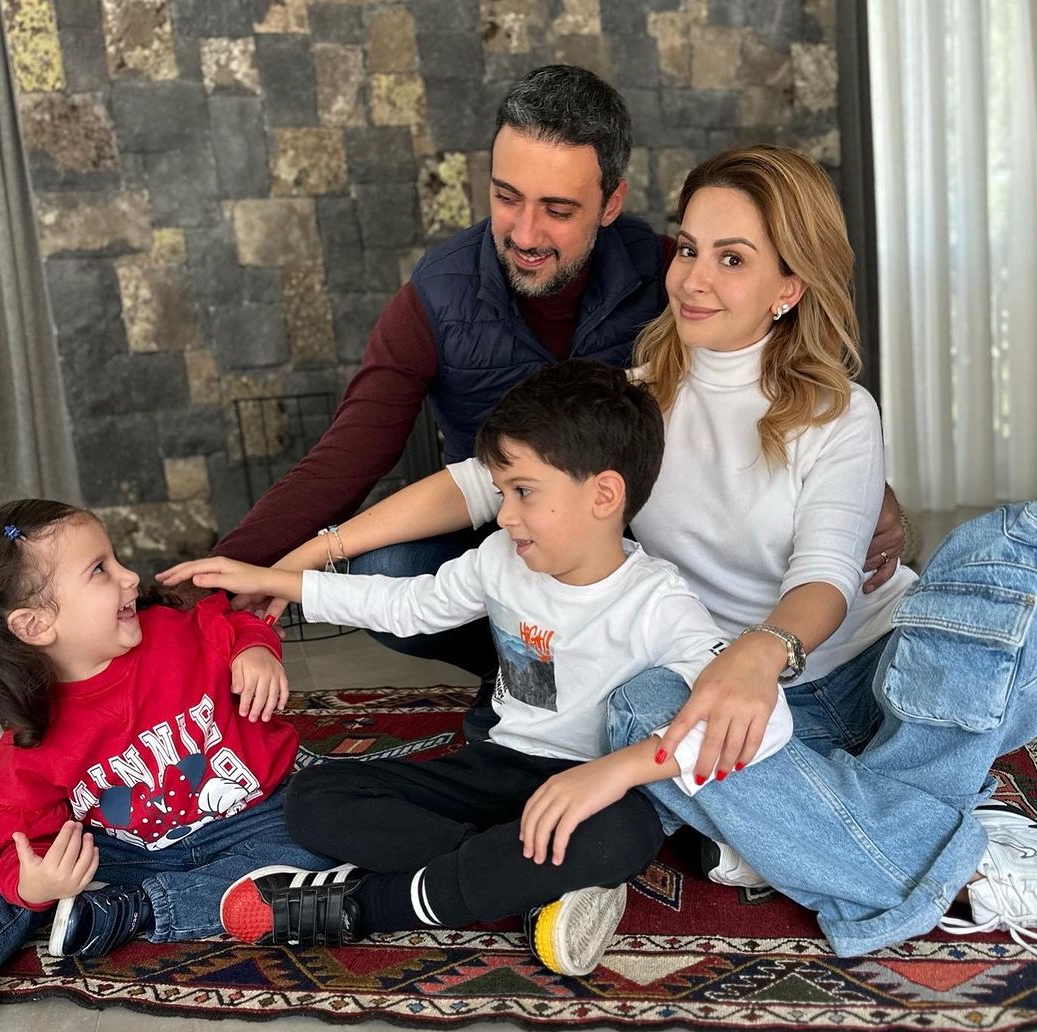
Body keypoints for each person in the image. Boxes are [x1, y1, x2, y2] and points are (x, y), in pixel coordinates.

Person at [248, 146, 1037, 959]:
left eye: (732, 259)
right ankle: (949, 853)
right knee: (640, 705)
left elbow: (824, 579)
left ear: (789, 287)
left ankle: (808, 823)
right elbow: (476, 484)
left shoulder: (839, 413)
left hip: (873, 673)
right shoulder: (642, 397)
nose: (693, 279)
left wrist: (761, 652)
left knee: (1023, 542)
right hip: (726, 701)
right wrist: (314, 553)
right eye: (687, 250)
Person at [212, 64, 905, 739]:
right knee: (609, 702)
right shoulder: (613, 374)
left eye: (559, 208)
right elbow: (426, 471)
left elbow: (814, 511)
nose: (524, 233)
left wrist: (861, 494)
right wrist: (282, 564)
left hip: (789, 645)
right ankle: (535, 687)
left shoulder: (692, 301)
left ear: (610, 203)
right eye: (506, 196)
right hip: (572, 581)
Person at [156, 361, 793, 976]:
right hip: (497, 766)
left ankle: (370, 905)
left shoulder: (660, 602)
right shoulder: (499, 558)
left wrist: (620, 770)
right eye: (501, 493)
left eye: (523, 492)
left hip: (591, 788)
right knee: (316, 798)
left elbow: (762, 721)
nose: (505, 514)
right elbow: (407, 606)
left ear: (604, 494)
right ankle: (519, 876)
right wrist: (276, 580)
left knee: (623, 834)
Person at [0, 501, 335, 974]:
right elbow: (14, 827)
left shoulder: (174, 632)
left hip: (254, 818)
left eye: (116, 559)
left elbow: (233, 623)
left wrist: (254, 649)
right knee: (12, 880)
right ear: (35, 625)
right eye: (100, 570)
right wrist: (34, 883)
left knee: (324, 834)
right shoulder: (31, 735)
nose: (130, 576)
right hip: (128, 852)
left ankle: (140, 909)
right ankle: (98, 903)